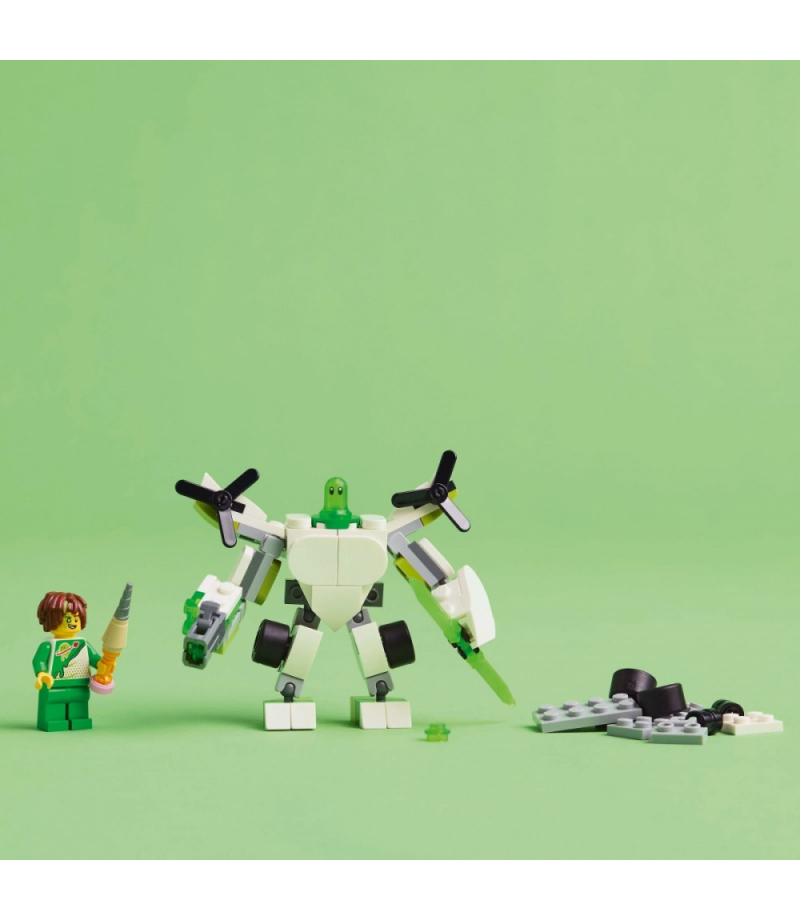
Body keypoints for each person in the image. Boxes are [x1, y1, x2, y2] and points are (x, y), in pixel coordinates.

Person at [32, 591, 101, 731]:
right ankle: (53, 720)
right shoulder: (48, 645)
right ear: (52, 619)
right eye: (68, 619)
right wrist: (42, 673)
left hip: (80, 683)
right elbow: (39, 660)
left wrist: (103, 664)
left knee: (79, 701)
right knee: (53, 701)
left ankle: (79, 720)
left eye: (76, 618)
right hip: (54, 683)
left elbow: (94, 659)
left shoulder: (83, 644)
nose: (73, 623)